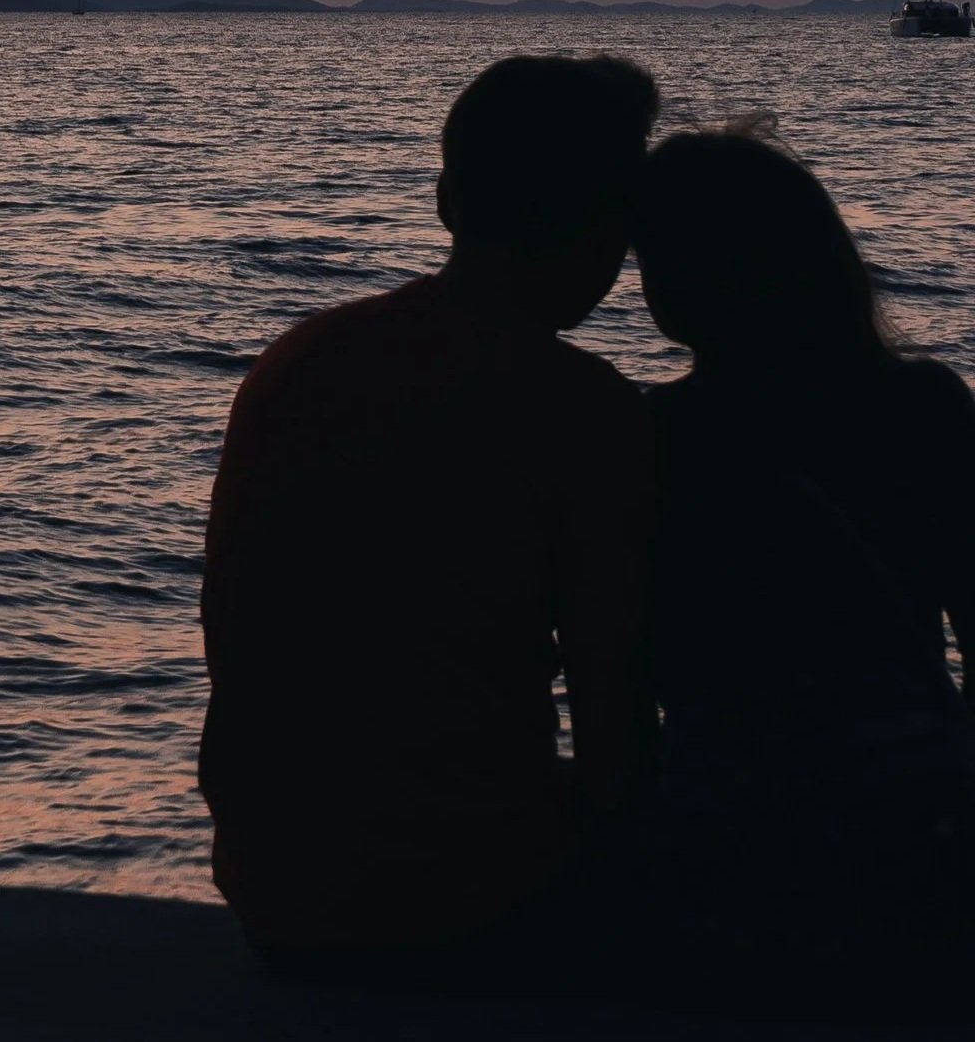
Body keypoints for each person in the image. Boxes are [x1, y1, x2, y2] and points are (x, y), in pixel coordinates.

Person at [199, 55, 661, 982]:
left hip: (276, 883)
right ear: (613, 228)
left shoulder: (299, 360)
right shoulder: (580, 410)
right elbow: (615, 722)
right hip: (467, 897)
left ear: (446, 201)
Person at [631, 119, 975, 1020]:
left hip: (734, 874)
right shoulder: (926, 406)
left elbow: (641, 677)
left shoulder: (656, 436)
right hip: (929, 864)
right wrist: (949, 811)